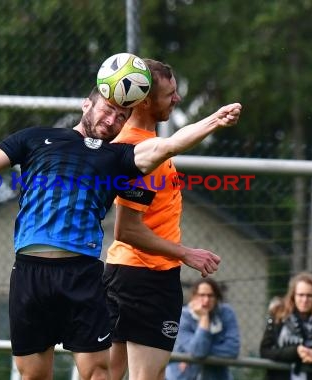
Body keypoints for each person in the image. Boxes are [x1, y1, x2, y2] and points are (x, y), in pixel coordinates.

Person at [0, 82, 242, 379]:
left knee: (99, 372)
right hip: (30, 273)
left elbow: (167, 145)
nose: (112, 120)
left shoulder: (118, 157)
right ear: (86, 104)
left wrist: (214, 120)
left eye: (121, 116)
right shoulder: (35, 139)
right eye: (107, 110)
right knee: (33, 374)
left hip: (82, 275)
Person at [103, 59, 228, 380]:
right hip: (147, 278)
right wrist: (187, 253)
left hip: (123, 273)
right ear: (144, 100)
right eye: (170, 93)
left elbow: (175, 143)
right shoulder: (138, 152)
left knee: (108, 376)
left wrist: (213, 120)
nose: (177, 99)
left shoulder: (143, 143)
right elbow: (126, 229)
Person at [259, 272, 312, 380]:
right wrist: (294, 352)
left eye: (310, 296)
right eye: (301, 295)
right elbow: (264, 351)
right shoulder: (275, 314)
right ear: (293, 295)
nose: (304, 300)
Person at [165, 278, 240, 380]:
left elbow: (232, 349)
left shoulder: (226, 313)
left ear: (217, 298)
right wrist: (204, 318)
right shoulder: (183, 315)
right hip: (183, 376)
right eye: (202, 295)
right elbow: (198, 351)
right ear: (194, 297)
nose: (206, 300)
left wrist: (191, 354)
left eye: (210, 295)